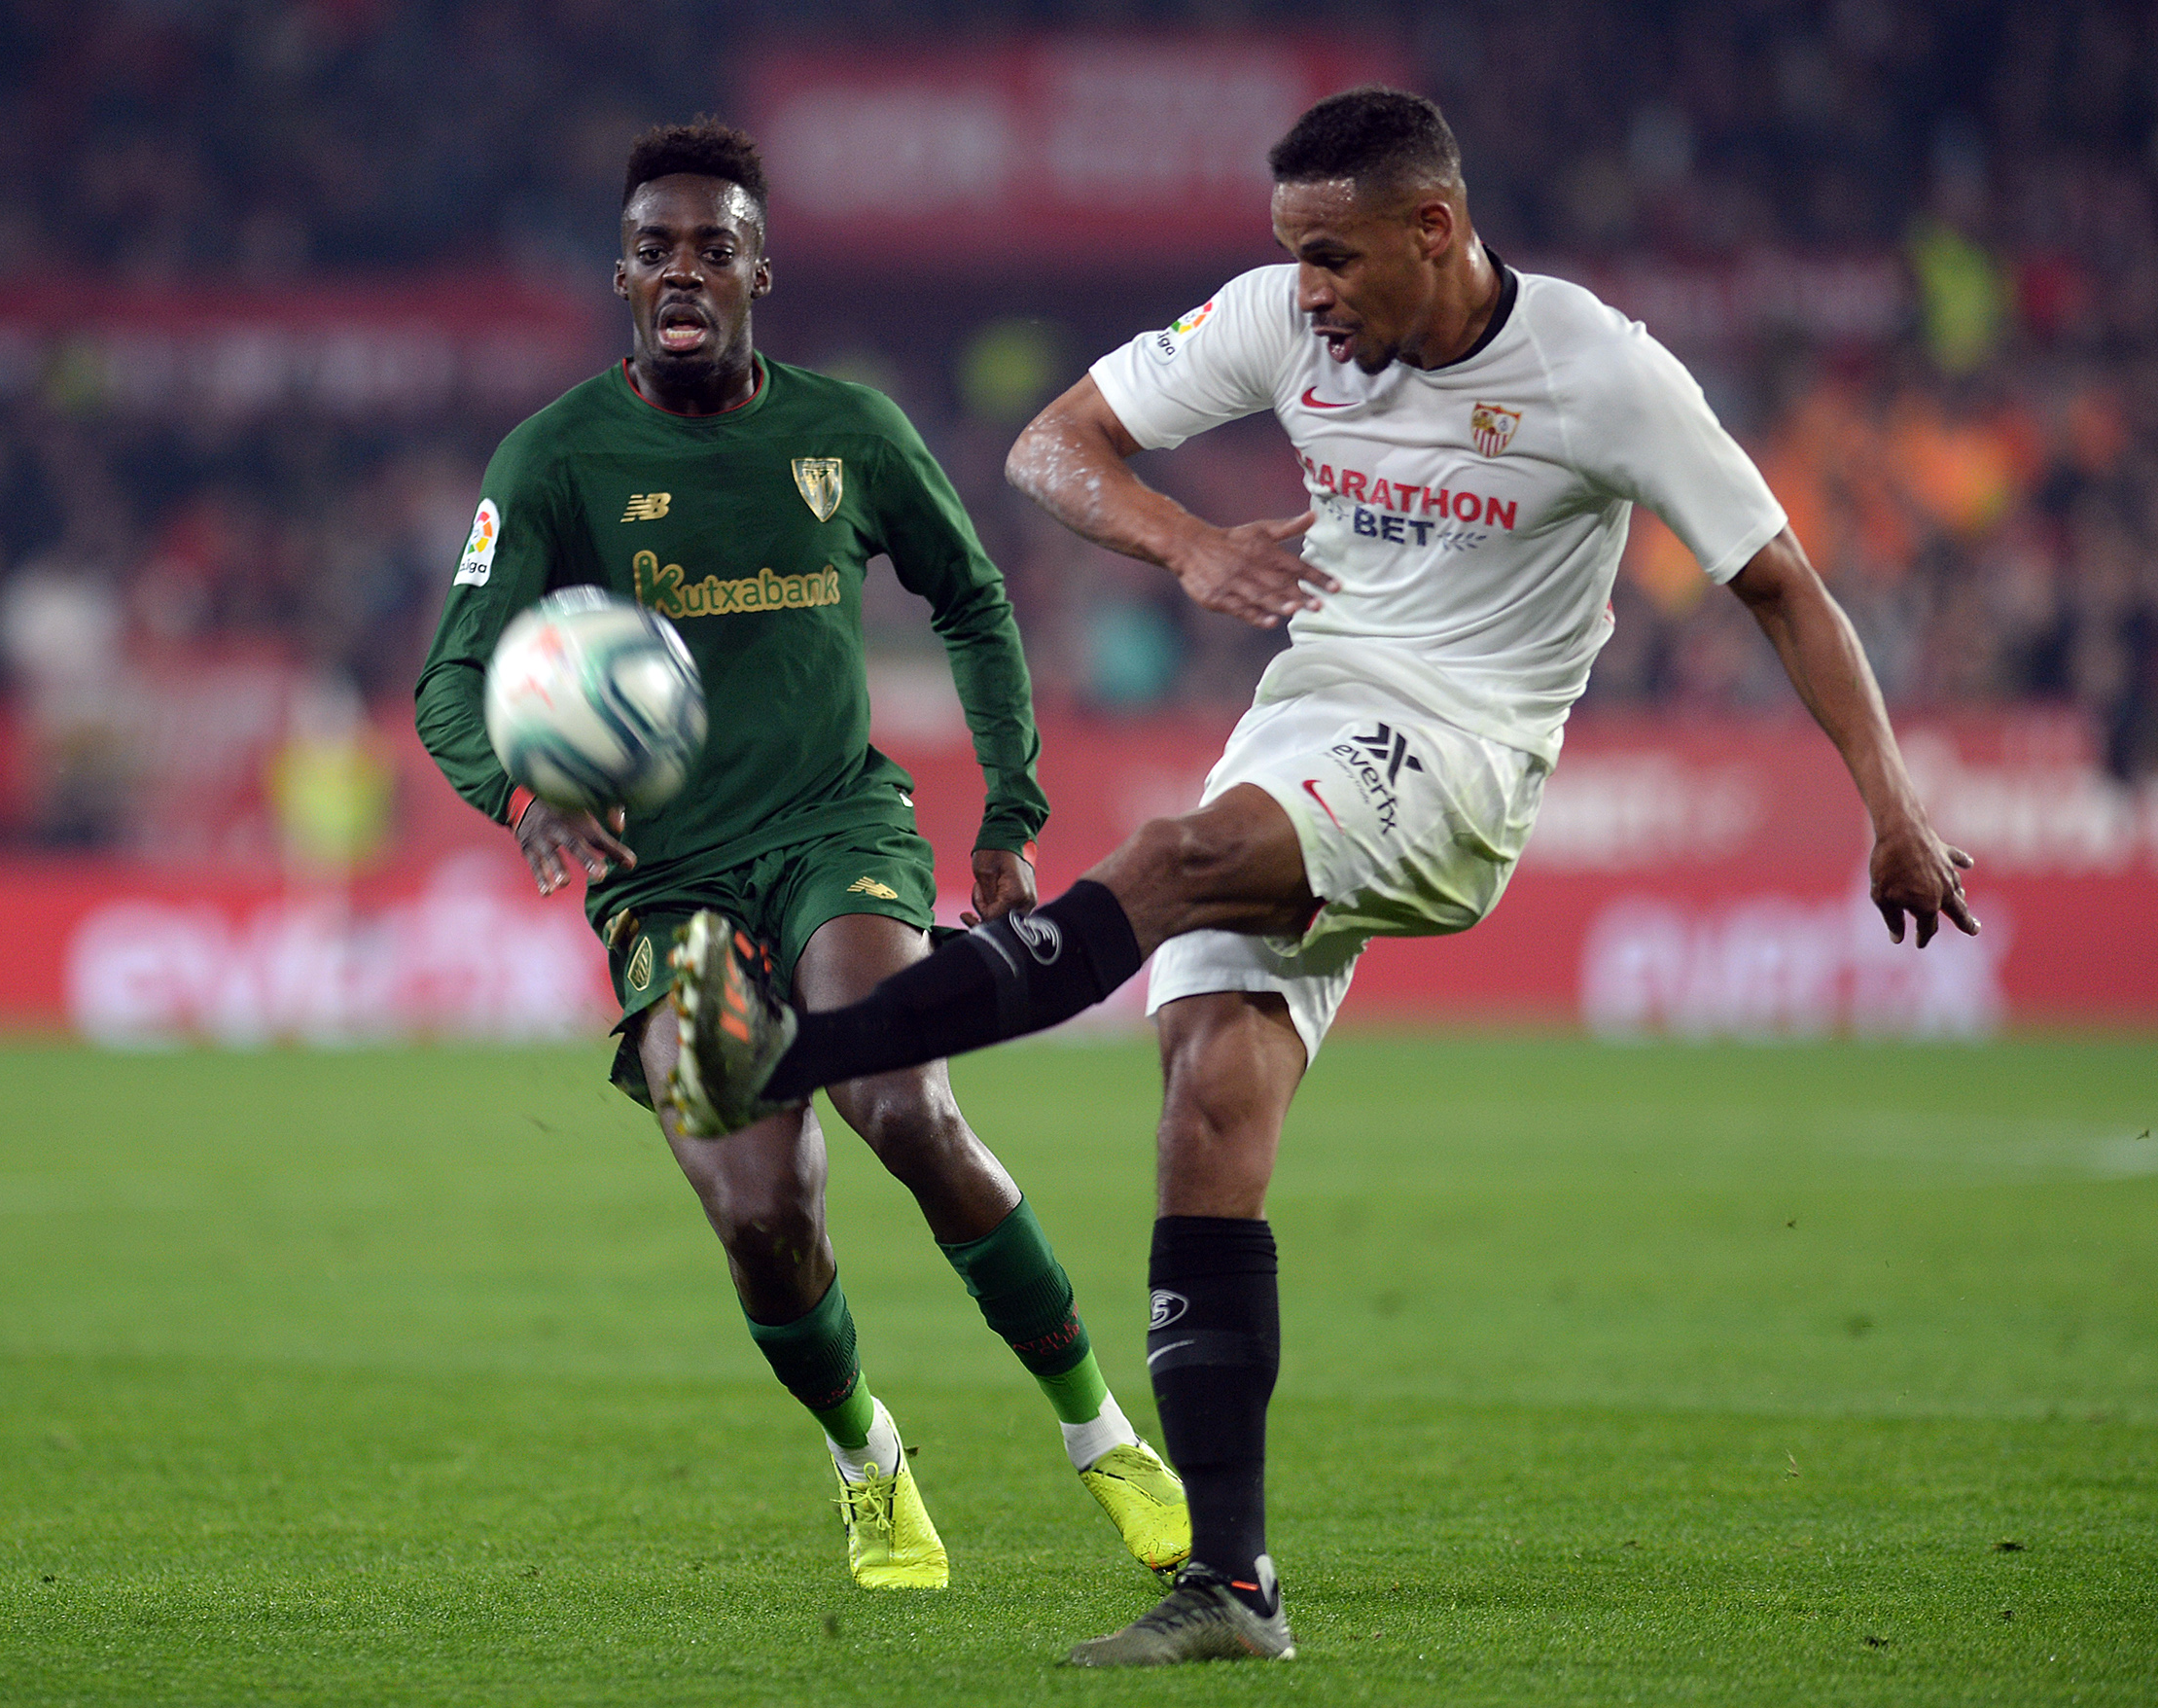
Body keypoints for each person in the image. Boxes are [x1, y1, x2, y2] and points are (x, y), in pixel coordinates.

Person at [666, 89, 1980, 1661]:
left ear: (1434, 229)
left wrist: (1890, 809)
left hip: (1462, 756)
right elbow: (1050, 447)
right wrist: (1188, 543)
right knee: (1207, 1100)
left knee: (1172, 856)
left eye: (1337, 259)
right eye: (1293, 257)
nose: (1310, 294)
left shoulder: (1600, 371)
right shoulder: (1282, 319)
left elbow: (1783, 586)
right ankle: (1232, 1586)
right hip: (1305, 720)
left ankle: (781, 1057)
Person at [414, 119, 1187, 1593]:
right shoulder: (557, 459)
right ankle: (865, 1459)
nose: (683, 269)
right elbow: (451, 680)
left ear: (762, 268)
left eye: (713, 245)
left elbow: (970, 599)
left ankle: (1101, 1436)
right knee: (766, 1218)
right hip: (665, 883)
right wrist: (527, 801)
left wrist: (1010, 809)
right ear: (622, 279)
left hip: (839, 831)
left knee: (901, 1100)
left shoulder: (850, 432)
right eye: (655, 249)